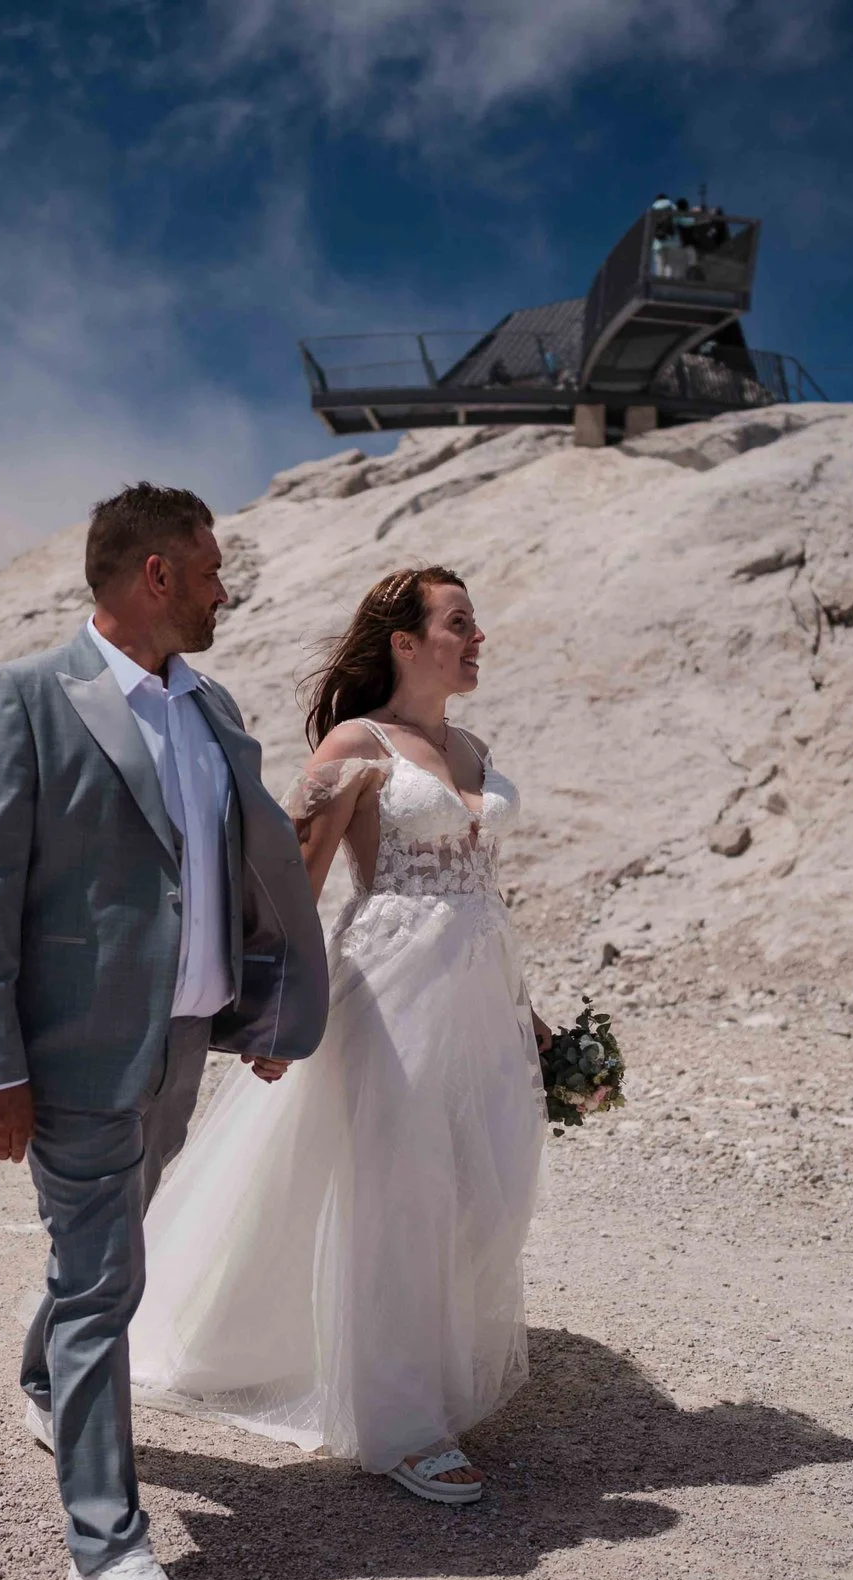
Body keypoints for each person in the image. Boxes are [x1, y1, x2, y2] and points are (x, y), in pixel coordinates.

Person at [0, 481, 328, 1580]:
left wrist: (263, 1002)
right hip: (70, 1054)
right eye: (211, 568)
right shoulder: (23, 698)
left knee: (106, 1248)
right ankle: (106, 1552)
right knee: (108, 1281)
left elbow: (236, 874)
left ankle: (42, 1378)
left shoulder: (211, 709)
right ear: (154, 573)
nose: (225, 588)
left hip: (181, 1045)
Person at [132, 567, 549, 1508]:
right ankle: (402, 1424)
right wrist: (272, 1008)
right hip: (393, 996)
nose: (478, 637)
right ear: (405, 641)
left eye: (475, 623)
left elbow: (485, 891)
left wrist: (532, 1013)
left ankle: (412, 1363)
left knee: (485, 1189)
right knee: (405, 1195)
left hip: (482, 1000)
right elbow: (294, 883)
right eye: (459, 623)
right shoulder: (354, 745)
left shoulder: (474, 745)